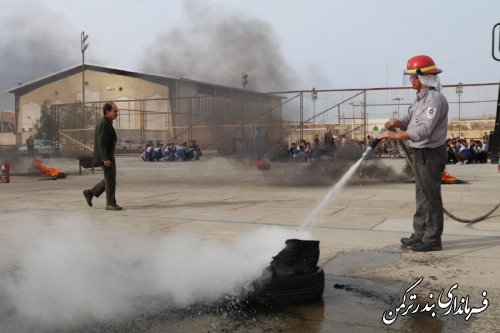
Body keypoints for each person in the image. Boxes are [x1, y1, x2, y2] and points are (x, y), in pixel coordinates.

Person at [378, 55, 448, 252]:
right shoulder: (420, 99)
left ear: (423, 76)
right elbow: (409, 118)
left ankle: (432, 239)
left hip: (430, 153)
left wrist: (396, 135)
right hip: (420, 153)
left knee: (431, 197)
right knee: (421, 195)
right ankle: (420, 234)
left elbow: (424, 130)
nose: (410, 80)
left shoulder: (434, 100)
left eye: (413, 77)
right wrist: (396, 123)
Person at [83, 102, 122, 210]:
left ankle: (90, 193)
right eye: (115, 111)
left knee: (109, 179)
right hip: (105, 157)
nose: (116, 113)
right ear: (107, 111)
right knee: (110, 180)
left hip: (109, 156)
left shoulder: (107, 122)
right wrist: (105, 158)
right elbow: (101, 142)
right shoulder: (103, 123)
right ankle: (110, 203)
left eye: (117, 111)